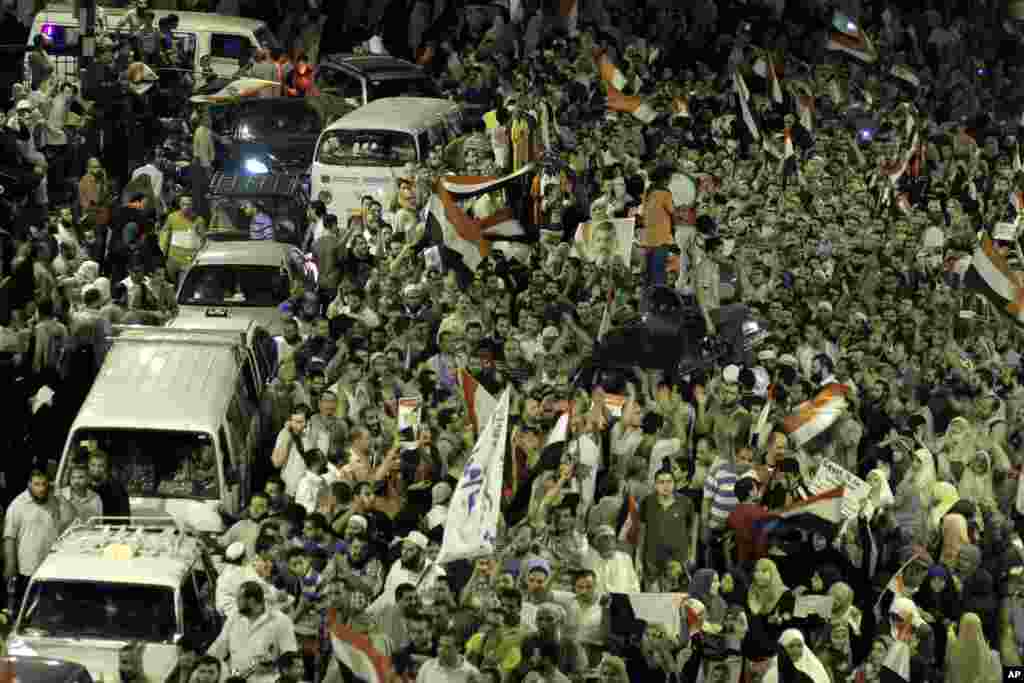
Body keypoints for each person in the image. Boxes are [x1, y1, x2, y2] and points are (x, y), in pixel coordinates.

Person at [3, 470, 74, 604]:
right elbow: (9, 537)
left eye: (44, 484)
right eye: (37, 484)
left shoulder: (54, 500)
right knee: (27, 606)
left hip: (51, 566)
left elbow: (72, 518)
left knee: (49, 607)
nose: (41, 489)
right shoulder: (17, 505)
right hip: (27, 568)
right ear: (29, 484)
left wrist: (61, 498)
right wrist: (10, 565)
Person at [207, 582, 298, 683]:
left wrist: (272, 666)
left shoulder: (281, 621)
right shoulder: (234, 617)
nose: (236, 602)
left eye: (239, 599)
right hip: (236, 678)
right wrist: (204, 663)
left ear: (251, 601)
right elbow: (219, 646)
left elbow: (291, 657)